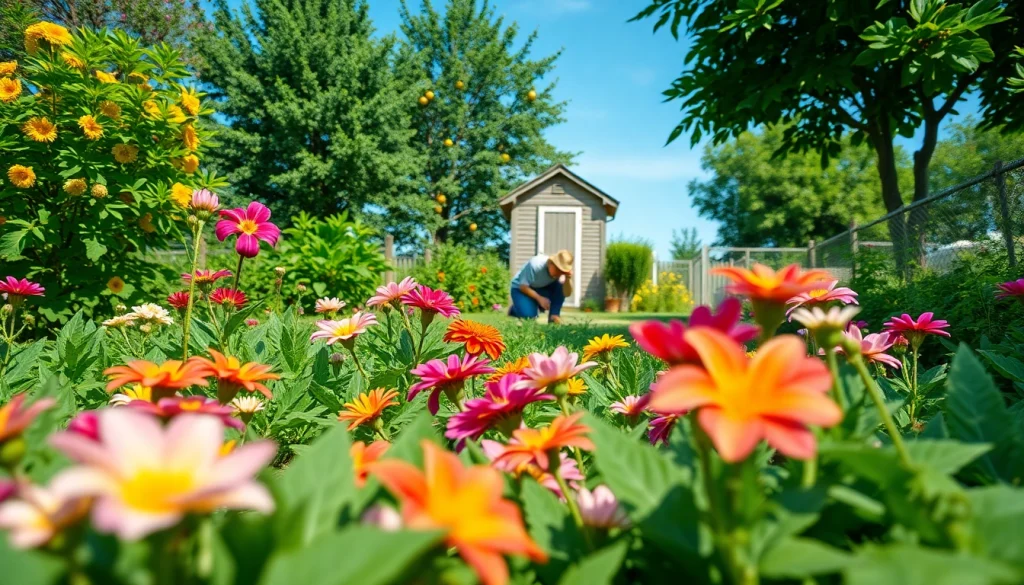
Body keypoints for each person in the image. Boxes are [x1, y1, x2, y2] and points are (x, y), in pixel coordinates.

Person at [508, 249, 573, 324]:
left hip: (541, 287)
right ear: (551, 263)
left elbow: (566, 294)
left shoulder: (559, 274)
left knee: (560, 285)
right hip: (520, 288)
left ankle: (554, 316)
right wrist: (539, 299)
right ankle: (515, 309)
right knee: (529, 316)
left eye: (563, 271)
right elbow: (523, 287)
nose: (560, 273)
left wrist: (568, 278)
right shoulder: (535, 264)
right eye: (558, 270)